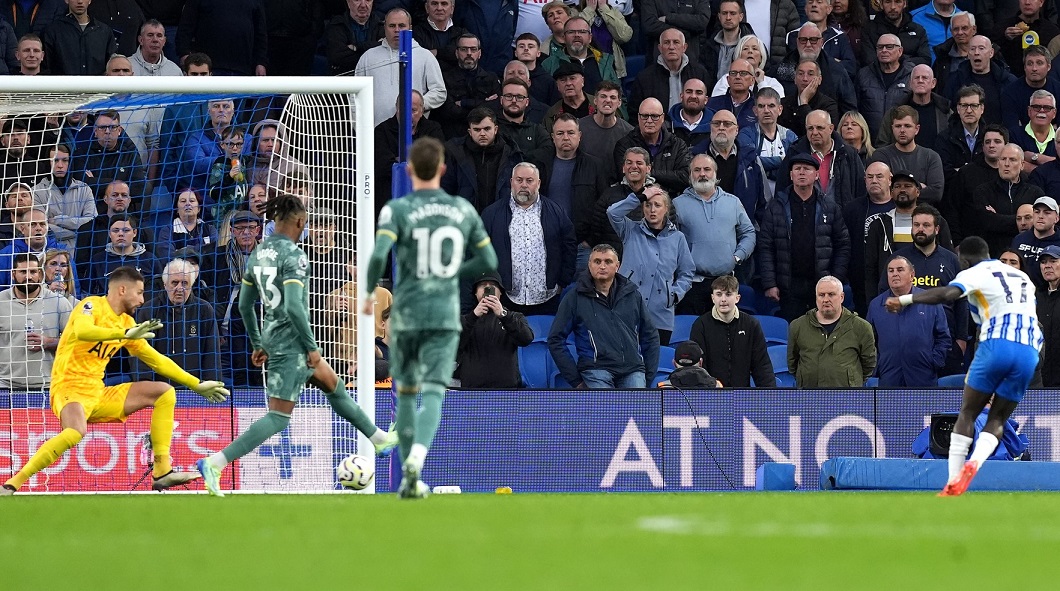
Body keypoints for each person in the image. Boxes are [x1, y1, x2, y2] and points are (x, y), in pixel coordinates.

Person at [195, 194, 403, 498]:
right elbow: (294, 306)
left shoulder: (258, 254)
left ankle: (378, 438)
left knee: (334, 386)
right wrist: (310, 346)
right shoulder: (294, 255)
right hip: (292, 343)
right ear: (300, 221)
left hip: (273, 338)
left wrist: (257, 342)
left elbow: (244, 305)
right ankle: (215, 462)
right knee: (278, 417)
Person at [1, 265, 229, 495]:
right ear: (122, 290)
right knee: (75, 432)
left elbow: (157, 360)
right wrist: (122, 335)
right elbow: (82, 331)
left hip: (98, 393)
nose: (142, 299)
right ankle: (13, 484)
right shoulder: (91, 305)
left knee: (164, 392)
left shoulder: (127, 324)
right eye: (139, 292)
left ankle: (162, 471)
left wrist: (196, 384)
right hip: (68, 388)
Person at [359, 137, 498, 499]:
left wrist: (368, 293)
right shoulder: (462, 210)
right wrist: (451, 271)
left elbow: (378, 257)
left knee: (404, 395)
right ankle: (415, 464)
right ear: (442, 169)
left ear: (408, 171)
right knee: (434, 393)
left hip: (405, 315)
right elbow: (489, 263)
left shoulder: (397, 209)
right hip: (443, 314)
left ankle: (409, 471)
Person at [884, 236, 1043, 496]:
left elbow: (948, 294)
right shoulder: (1023, 278)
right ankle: (976, 462)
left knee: (968, 413)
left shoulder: (977, 272)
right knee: (999, 418)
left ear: (964, 259)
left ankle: (953, 480)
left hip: (997, 343)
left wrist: (905, 300)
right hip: (1028, 349)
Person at [548, 243, 660, 389]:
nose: (602, 266)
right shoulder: (574, 298)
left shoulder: (633, 295)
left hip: (632, 370)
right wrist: (575, 381)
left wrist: (648, 376)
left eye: (608, 261)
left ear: (617, 266)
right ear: (589, 265)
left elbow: (650, 336)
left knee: (637, 411)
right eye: (597, 261)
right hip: (596, 370)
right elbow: (555, 339)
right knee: (606, 411)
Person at [759, 154, 851, 320]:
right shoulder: (776, 206)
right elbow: (766, 246)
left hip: (822, 286)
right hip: (788, 286)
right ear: (791, 174)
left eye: (807, 169)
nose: (801, 172)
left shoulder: (829, 207)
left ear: (816, 174)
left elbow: (843, 244)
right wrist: (770, 283)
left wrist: (835, 280)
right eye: (797, 169)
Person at [480, 162, 576, 316]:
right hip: (507, 298)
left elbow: (569, 247)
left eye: (529, 181)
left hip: (547, 298)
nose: (524, 185)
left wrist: (561, 283)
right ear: (511, 182)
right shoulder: (491, 214)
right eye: (519, 180)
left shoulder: (556, 212)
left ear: (538, 183)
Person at [607, 184, 695, 345]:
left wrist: (674, 294)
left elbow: (687, 272)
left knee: (656, 362)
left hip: (661, 313)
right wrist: (640, 196)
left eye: (657, 205)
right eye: (648, 205)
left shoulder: (678, 238)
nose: (652, 210)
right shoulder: (630, 230)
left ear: (666, 208)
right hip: (627, 309)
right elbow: (613, 213)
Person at [673, 153, 756, 316]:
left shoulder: (732, 202)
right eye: (697, 170)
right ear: (690, 175)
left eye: (707, 169)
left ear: (715, 174)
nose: (702, 174)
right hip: (691, 285)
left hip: (726, 284)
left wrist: (738, 256)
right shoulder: (677, 204)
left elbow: (749, 232)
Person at [131, 258, 221, 383]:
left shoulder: (204, 310)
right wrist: (145, 388)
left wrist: (212, 386)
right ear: (165, 285)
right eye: (174, 283)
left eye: (184, 283)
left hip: (195, 391)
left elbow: (212, 355)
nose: (180, 288)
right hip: (159, 391)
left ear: (192, 285)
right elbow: (141, 354)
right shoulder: (149, 310)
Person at [867, 255, 950, 387]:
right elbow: (869, 342)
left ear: (912, 275)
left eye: (900, 270)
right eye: (891, 270)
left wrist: (934, 362)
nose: (895, 274)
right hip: (889, 377)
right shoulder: (876, 305)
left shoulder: (930, 302)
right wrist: (878, 367)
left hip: (923, 377)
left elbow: (943, 338)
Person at [354, 8, 446, 126]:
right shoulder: (368, 57)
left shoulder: (425, 56)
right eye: (392, 26)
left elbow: (439, 92)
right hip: (377, 132)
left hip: (413, 130)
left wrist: (416, 104)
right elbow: (356, 97)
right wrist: (359, 127)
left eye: (401, 25)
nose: (397, 30)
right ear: (384, 27)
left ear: (410, 28)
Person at [0, 252, 73, 390]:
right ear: (13, 274)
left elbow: (76, 341)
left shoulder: (59, 303)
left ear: (40, 274)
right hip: (5, 386)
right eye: (23, 272)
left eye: (33, 272)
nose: (28, 277)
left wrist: (49, 342)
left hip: (49, 386)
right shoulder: (1, 302)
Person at [788, 275, 877, 387]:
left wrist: (851, 382)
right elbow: (793, 363)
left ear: (842, 297)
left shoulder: (861, 327)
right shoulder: (798, 326)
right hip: (809, 397)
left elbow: (868, 364)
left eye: (831, 294)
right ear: (816, 298)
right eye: (821, 295)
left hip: (847, 399)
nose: (826, 299)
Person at [688, 275, 775, 388]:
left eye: (728, 294)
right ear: (713, 298)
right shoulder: (700, 325)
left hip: (742, 397)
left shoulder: (751, 325)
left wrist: (770, 396)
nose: (723, 299)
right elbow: (698, 368)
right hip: (710, 397)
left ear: (737, 298)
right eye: (719, 294)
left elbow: (762, 366)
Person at [455, 271, 534, 388]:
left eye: (492, 286)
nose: (487, 288)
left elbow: (526, 339)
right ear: (475, 293)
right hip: (472, 391)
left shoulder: (514, 317)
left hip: (506, 390)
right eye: (482, 286)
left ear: (500, 293)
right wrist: (473, 316)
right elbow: (453, 345)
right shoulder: (464, 320)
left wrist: (504, 315)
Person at [868, 106, 946, 206]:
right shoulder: (881, 155)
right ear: (892, 128)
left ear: (917, 129)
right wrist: (918, 187)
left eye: (907, 126)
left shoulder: (931, 157)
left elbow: (936, 194)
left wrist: (897, 189)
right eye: (898, 126)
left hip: (922, 216)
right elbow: (882, 191)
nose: (902, 130)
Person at [33, 143, 96, 252]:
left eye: (65, 160)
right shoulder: (36, 191)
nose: (60, 165)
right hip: (48, 253)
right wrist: (77, 231)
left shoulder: (84, 189)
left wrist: (59, 220)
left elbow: (92, 223)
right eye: (55, 160)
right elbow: (41, 229)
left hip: (81, 253)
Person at [177, 0, 266, 76]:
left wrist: (261, 62)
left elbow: (260, 32)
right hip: (207, 68)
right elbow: (186, 26)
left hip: (243, 68)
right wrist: (184, 53)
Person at [41, 0, 116, 75]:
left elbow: (113, 65)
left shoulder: (104, 31)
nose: (80, 1)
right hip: (63, 85)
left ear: (90, 1)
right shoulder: (53, 31)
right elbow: (46, 66)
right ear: (67, 0)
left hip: (97, 86)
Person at [1012, 196, 1060, 290]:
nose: (1040, 216)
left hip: (1051, 297)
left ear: (1056, 218)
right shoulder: (1019, 239)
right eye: (1037, 212)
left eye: (1047, 212)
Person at [155, 189, 217, 261]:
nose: (188, 204)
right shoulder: (167, 231)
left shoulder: (210, 229)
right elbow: (168, 259)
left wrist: (183, 251)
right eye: (183, 201)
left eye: (192, 201)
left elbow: (215, 255)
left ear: (199, 208)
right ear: (177, 209)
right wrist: (204, 249)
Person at [1037, 244, 1060, 386]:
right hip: (1040, 377)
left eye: (1053, 261)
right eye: (1044, 262)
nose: (1047, 266)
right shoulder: (1035, 297)